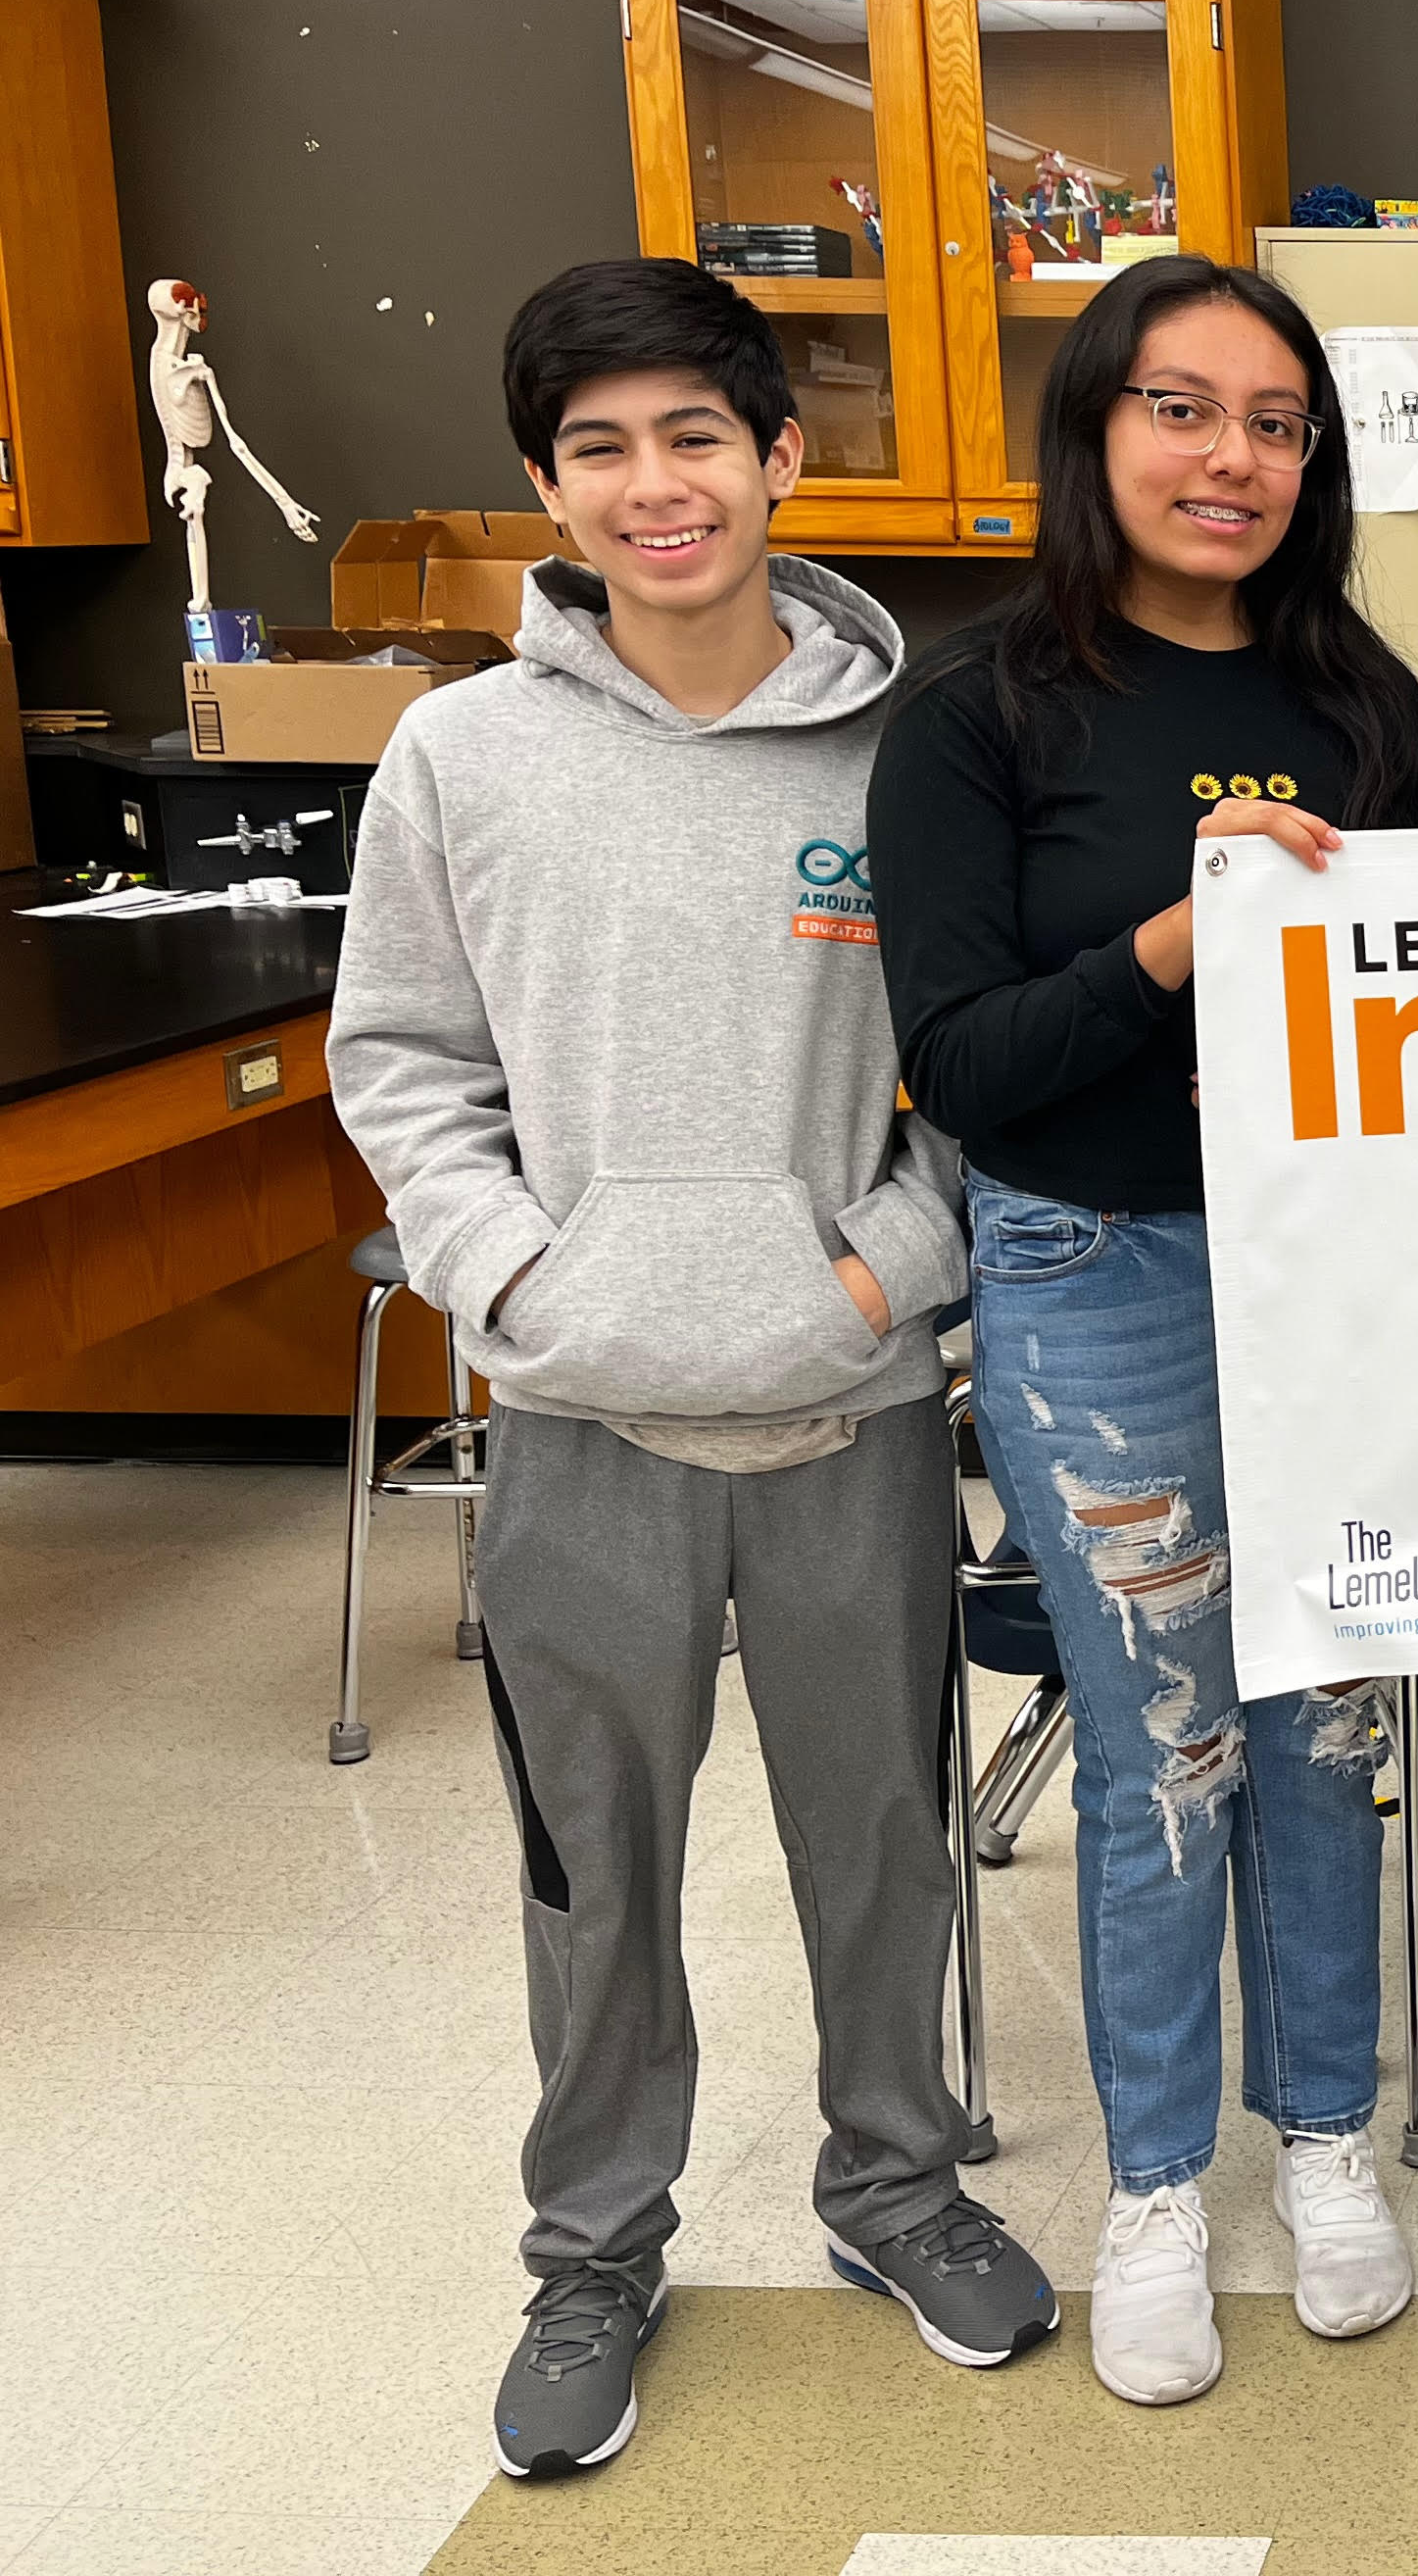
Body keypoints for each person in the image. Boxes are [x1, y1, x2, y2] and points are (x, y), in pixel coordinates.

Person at [329, 259, 1056, 2482]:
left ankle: (896, 2187)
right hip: (577, 1430)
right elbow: (405, 1066)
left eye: (697, 440)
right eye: (604, 451)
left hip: (845, 1420)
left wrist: (883, 1278)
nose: (659, 489)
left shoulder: (916, 739)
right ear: (546, 486)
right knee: (596, 1871)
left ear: (779, 461)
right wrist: (517, 1279)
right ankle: (593, 2247)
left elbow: (966, 1090)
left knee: (886, 1845)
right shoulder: (461, 754)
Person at [869, 254, 1418, 2407]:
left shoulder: (1360, 702)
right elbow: (965, 1059)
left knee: (1325, 1728)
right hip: (1096, 1271)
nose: (1235, 458)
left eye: (1279, 423)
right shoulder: (982, 712)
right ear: (1096, 431)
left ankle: (1330, 2137)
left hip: (1344, 1283)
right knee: (1162, 1750)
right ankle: (1162, 2185)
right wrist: (1186, 940)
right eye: (1185, 410)